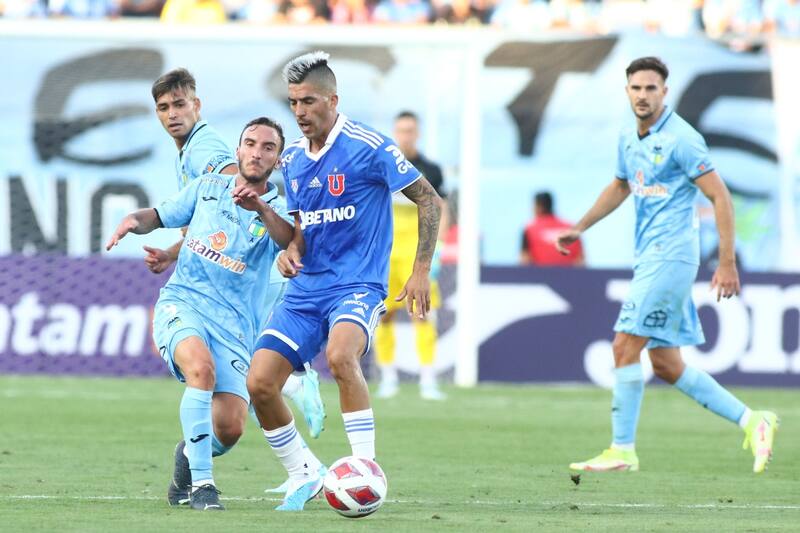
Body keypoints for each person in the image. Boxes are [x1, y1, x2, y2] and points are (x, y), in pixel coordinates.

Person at [557, 56, 778, 474]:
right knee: (666, 364)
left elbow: (721, 197)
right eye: (636, 88)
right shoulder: (628, 134)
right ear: (627, 92)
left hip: (672, 255)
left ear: (664, 92)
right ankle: (754, 420)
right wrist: (580, 227)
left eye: (651, 88)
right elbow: (621, 185)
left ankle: (622, 449)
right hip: (650, 257)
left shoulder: (682, 139)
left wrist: (727, 262)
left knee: (624, 345)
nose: (643, 95)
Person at [246, 51, 442, 511]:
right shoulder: (292, 158)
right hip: (307, 289)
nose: (299, 113)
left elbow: (429, 200)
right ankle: (304, 472)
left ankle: (365, 471)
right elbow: (301, 232)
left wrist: (419, 271)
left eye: (308, 101)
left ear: (333, 99)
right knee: (259, 382)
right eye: (293, 103)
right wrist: (291, 251)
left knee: (339, 355)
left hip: (357, 285)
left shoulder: (368, 146)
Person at [146, 69, 325, 503]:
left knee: (243, 402)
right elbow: (209, 215)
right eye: (164, 108)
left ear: (197, 106)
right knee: (215, 394)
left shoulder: (207, 150)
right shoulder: (189, 152)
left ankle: (295, 383)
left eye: (180, 105)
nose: (173, 115)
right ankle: (282, 461)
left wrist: (266, 224)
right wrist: (175, 250)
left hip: (244, 290)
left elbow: (237, 197)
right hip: (213, 289)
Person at [106, 117, 299, 510]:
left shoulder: (280, 209)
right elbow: (159, 215)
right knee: (201, 370)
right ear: (238, 150)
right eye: (250, 143)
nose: (257, 152)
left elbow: (286, 239)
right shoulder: (209, 187)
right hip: (183, 302)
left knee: (229, 429)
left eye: (268, 147)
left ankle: (187, 458)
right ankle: (203, 486)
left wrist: (259, 207)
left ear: (277, 160)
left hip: (234, 327)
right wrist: (133, 221)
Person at [374, 110, 448, 400]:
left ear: (417, 133)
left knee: (422, 313)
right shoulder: (383, 166)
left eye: (410, 130)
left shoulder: (431, 169)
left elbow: (442, 208)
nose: (405, 135)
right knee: (385, 314)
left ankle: (428, 379)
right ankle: (388, 377)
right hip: (386, 249)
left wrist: (439, 246)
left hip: (417, 250)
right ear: (395, 132)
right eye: (401, 130)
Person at [519, 191, 584, 266]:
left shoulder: (529, 229)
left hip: (541, 276)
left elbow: (524, 260)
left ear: (539, 207)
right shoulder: (570, 228)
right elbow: (580, 260)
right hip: (569, 276)